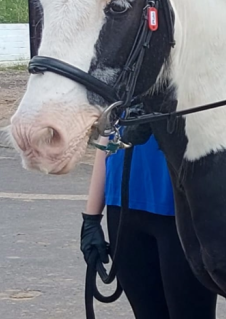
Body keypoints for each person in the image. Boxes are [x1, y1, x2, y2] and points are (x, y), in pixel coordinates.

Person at [80, 135, 218, 318]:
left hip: (181, 208)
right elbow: (108, 134)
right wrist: (91, 218)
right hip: (123, 202)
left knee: (191, 313)